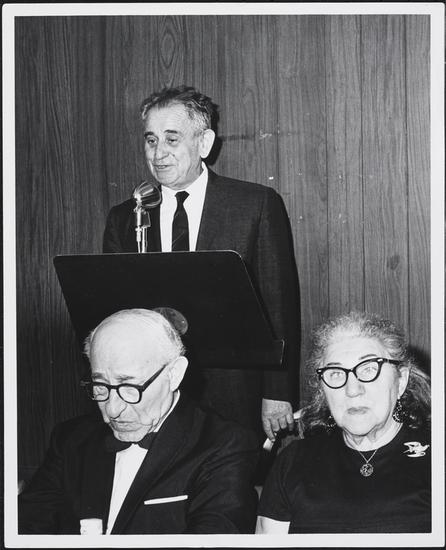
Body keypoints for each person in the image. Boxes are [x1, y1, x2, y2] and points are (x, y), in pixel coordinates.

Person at [103, 85, 300, 443]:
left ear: (204, 143)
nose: (158, 153)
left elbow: (278, 306)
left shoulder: (254, 205)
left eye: (172, 139)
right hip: (152, 394)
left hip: (235, 393)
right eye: (151, 140)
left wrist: (277, 392)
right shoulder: (124, 218)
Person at [18, 309, 259, 534]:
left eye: (130, 387)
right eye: (100, 385)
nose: (112, 410)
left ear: (174, 374)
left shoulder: (225, 445)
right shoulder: (70, 438)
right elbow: (25, 527)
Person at [256, 311, 431, 534]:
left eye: (369, 368)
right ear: (323, 389)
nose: (352, 389)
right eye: (336, 373)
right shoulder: (293, 462)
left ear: (401, 381)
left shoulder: (436, 460)